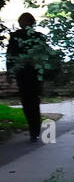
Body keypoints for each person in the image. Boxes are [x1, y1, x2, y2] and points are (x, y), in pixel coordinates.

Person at [5, 12, 53, 142]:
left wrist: (10, 72)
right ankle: (35, 130)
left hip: (28, 73)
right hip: (31, 73)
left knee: (29, 102)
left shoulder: (18, 37)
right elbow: (10, 56)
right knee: (31, 101)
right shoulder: (35, 37)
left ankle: (34, 130)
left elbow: (10, 56)